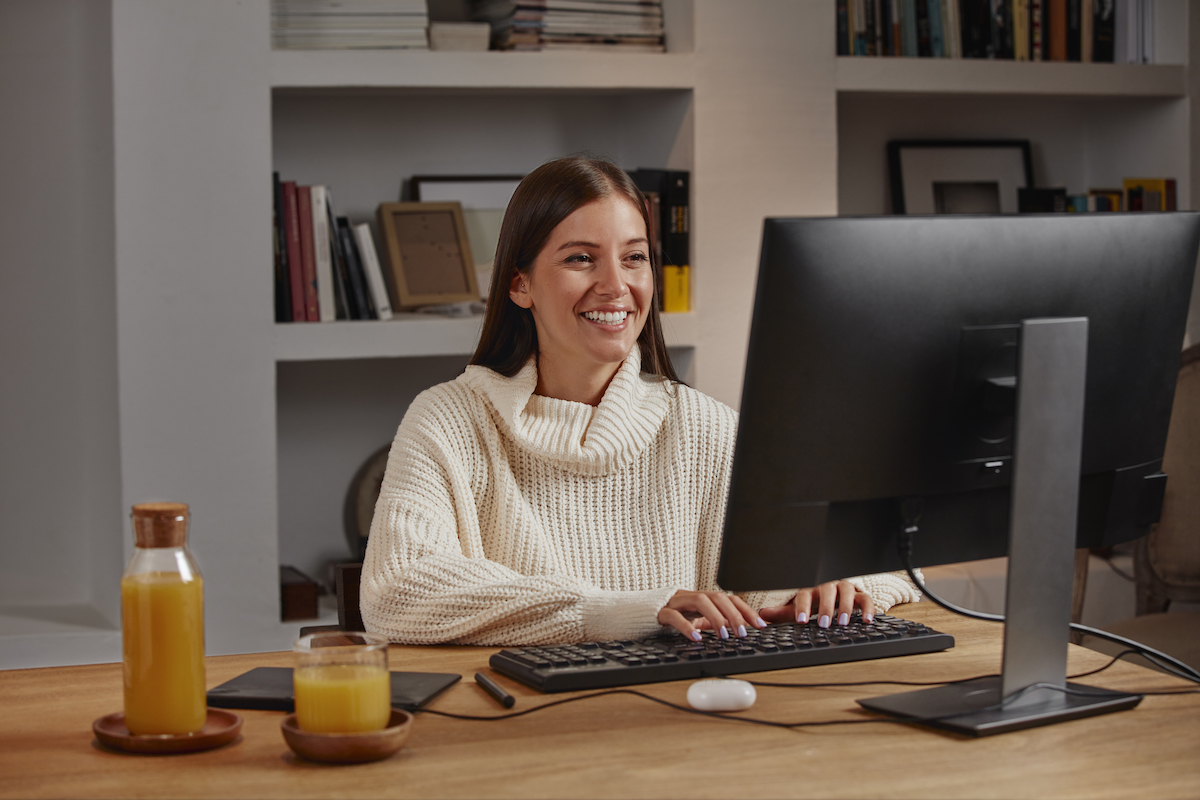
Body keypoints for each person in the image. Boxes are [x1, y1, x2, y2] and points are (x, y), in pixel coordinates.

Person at [360, 156, 920, 646]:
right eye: (581, 258)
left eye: (634, 258)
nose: (615, 284)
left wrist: (835, 586)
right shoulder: (448, 421)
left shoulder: (705, 427)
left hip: (680, 730)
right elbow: (398, 591)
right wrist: (620, 612)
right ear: (519, 285)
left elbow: (890, 566)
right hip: (522, 733)